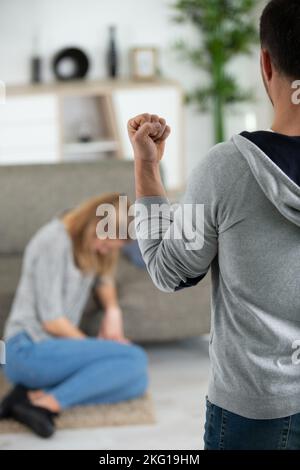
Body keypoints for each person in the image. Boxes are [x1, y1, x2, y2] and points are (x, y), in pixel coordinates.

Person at [127, 0, 300, 450]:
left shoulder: (227, 169)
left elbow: (170, 272)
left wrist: (147, 170)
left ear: (265, 62)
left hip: (257, 411)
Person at [0, 193, 148, 438]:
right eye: (104, 242)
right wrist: (95, 350)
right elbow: (53, 321)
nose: (103, 250)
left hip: (53, 350)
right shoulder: (53, 241)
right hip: (25, 349)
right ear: (92, 222)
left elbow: (104, 278)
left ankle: (28, 397)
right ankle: (48, 403)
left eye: (110, 248)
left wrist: (113, 310)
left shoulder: (89, 245)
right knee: (134, 359)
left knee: (136, 382)